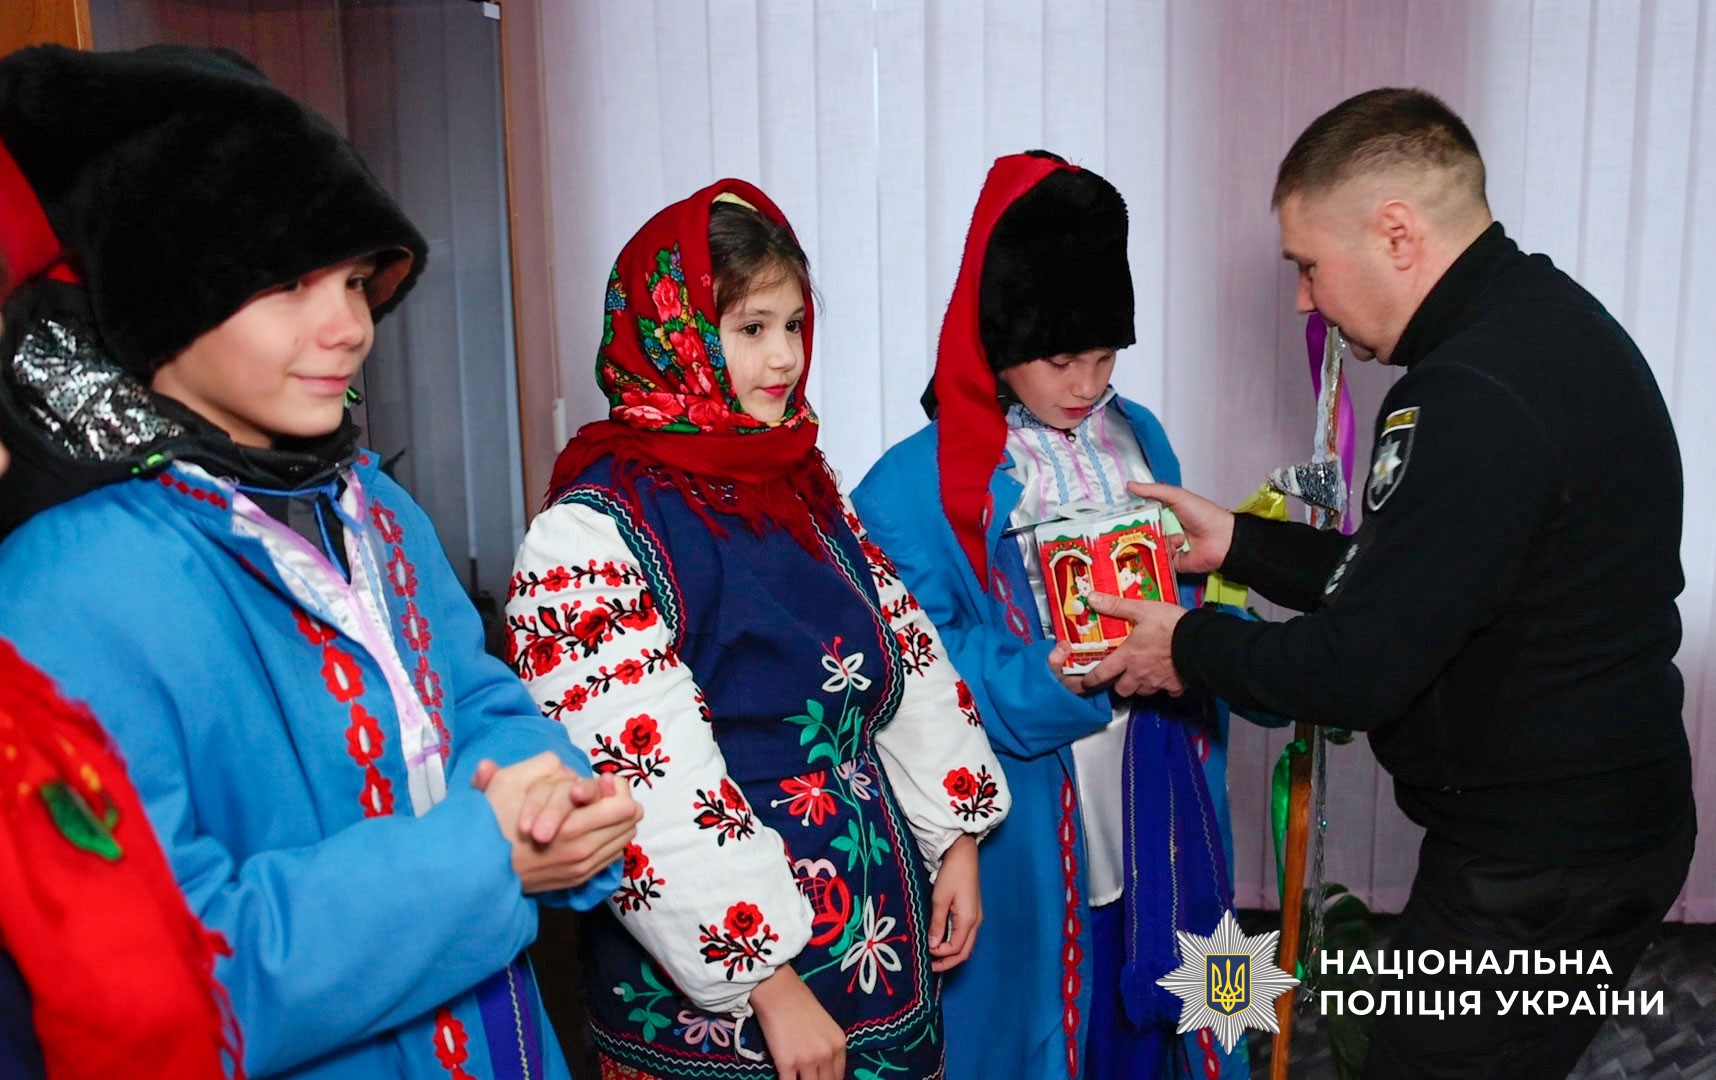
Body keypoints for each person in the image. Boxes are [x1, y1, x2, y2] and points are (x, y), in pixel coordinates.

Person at [0, 44, 639, 1079]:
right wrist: (486, 855)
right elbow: (173, 977)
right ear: (166, 291)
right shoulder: (63, 589)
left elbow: (473, 695)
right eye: (290, 283)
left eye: (352, 280)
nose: (349, 327)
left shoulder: (373, 507)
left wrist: (548, 793)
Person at [1081, 89, 1696, 1080]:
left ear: (1397, 234)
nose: (1303, 300)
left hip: (1537, 870)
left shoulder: (1465, 397)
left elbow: (1356, 669)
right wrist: (1239, 544)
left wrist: (1183, 646)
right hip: (1600, 827)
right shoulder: (1548, 328)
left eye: (1307, 265)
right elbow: (1424, 581)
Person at [508, 179, 1010, 1080]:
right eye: (750, 328)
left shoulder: (798, 478)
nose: (783, 357)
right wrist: (767, 982)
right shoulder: (589, 531)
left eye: (794, 325)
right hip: (719, 988)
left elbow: (903, 651)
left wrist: (957, 835)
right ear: (676, 337)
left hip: (873, 929)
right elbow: (638, 777)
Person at [853, 152, 1265, 1080]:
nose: (1087, 383)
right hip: (1031, 822)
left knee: (1179, 1022)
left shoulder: (1139, 433)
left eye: (1105, 356)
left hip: (1163, 784)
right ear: (997, 339)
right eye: (1061, 359)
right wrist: (1063, 673)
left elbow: (1182, 593)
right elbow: (926, 674)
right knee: (1045, 1032)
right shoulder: (908, 487)